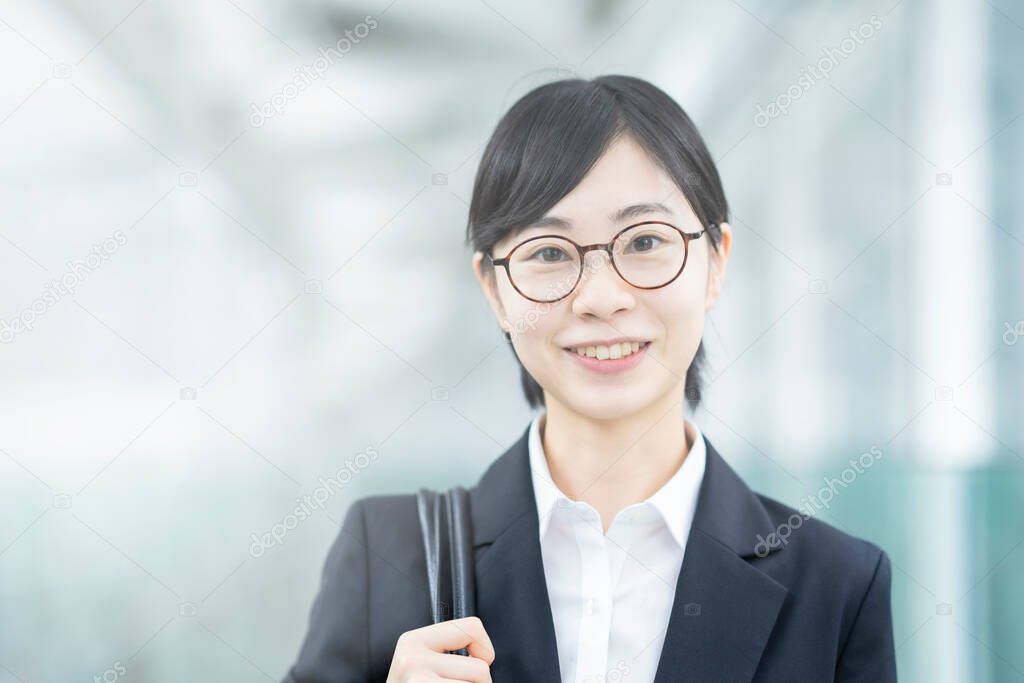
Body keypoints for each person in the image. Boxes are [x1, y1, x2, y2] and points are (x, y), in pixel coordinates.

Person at [283, 74, 897, 683]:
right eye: (550, 252)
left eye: (646, 241)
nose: (601, 298)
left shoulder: (835, 583)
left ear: (716, 262)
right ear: (494, 290)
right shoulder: (388, 556)